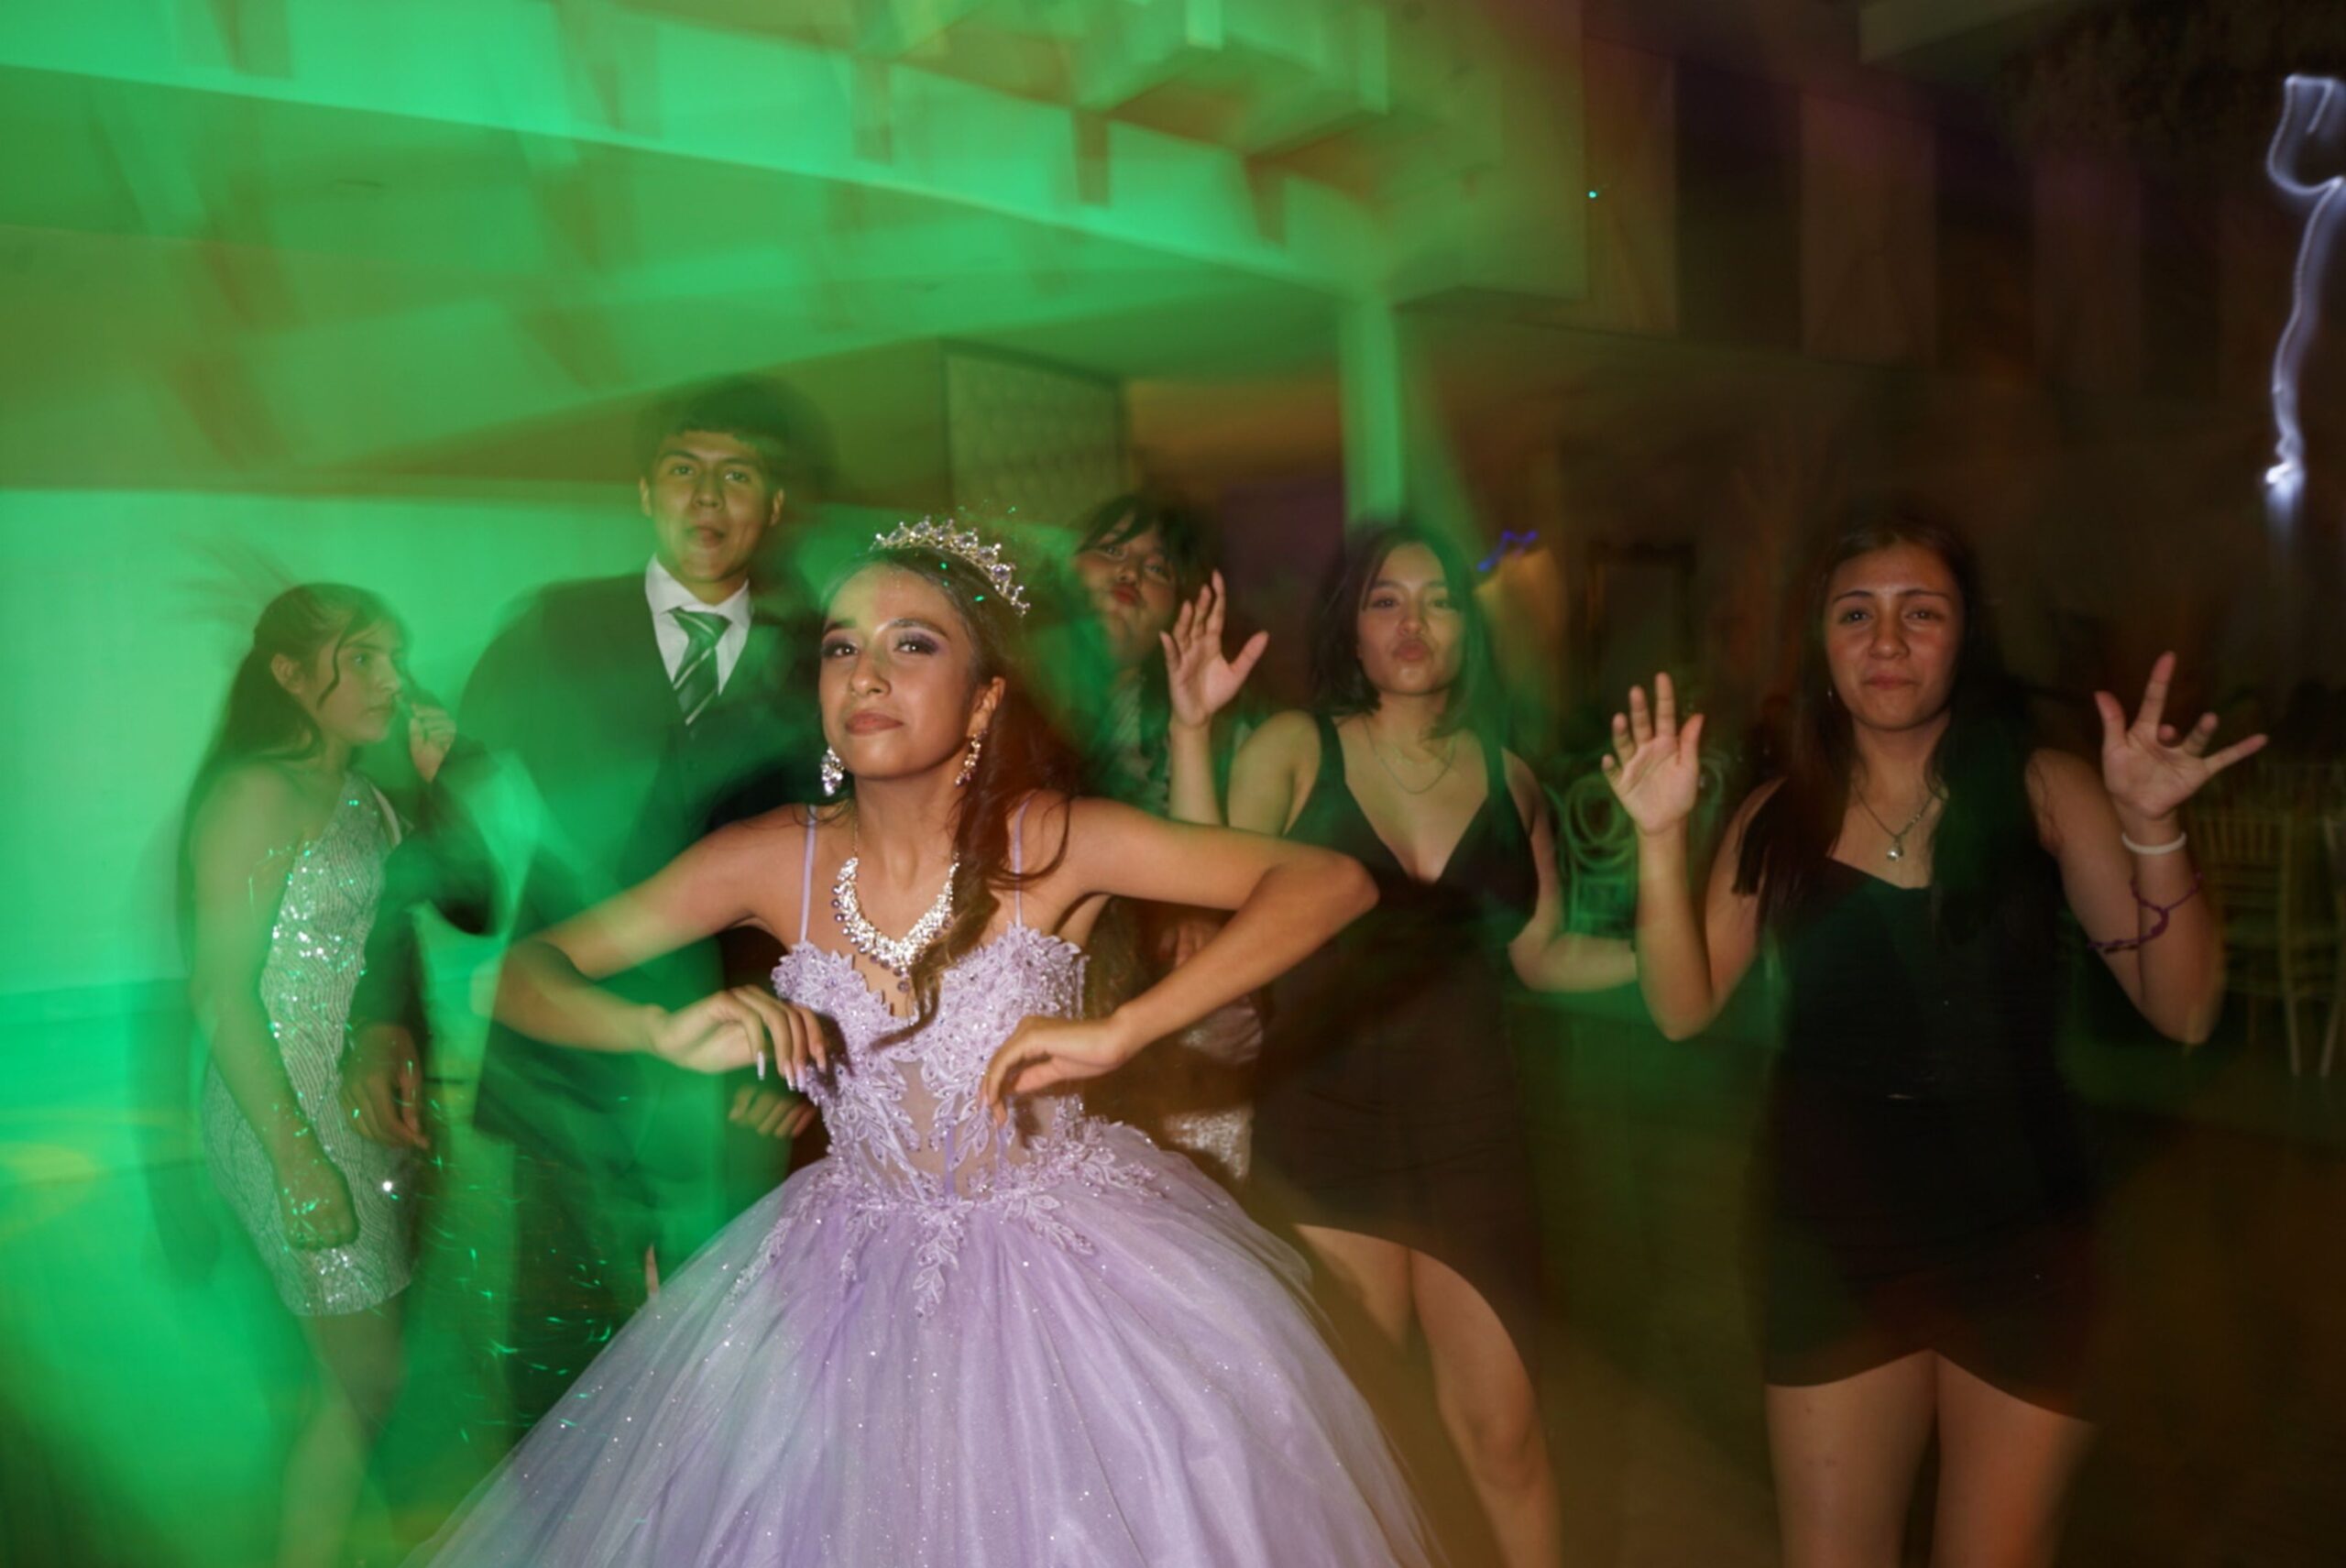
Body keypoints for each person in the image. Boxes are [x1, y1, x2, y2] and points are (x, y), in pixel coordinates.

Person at [410, 522, 1438, 1566]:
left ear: (984, 700)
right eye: (842, 646)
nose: (866, 673)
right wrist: (656, 1027)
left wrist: (1124, 1028)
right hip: (842, 1283)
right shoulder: (770, 858)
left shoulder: (1053, 839)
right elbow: (523, 977)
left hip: (1070, 1279)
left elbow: (1326, 882)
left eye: (912, 643)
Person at [1600, 503, 2262, 1568]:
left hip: (2022, 1230)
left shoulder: (2044, 790)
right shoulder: (1777, 814)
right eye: (1855, 613)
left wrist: (2152, 825)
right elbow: (1681, 1010)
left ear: (1966, 635)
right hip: (1832, 1233)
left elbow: (2179, 1009)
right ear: (1821, 642)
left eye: (1921, 611)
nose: (1887, 640)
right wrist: (1659, 840)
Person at [1166, 521, 1633, 1568]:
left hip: (1475, 1135)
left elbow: (1544, 953)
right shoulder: (1296, 749)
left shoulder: (1512, 779)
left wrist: (1693, 956)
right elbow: (1211, 892)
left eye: (1438, 599)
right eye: (1386, 600)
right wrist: (1192, 732)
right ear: (1351, 627)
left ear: (1468, 628)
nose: (1413, 622)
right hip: (1323, 1125)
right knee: (1356, 1433)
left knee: (1503, 1435)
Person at [428, 378, 828, 1434]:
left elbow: (839, 876)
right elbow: (450, 848)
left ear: (774, 503)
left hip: (737, 1079)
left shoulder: (822, 662)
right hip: (564, 1065)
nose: (708, 496)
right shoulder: (551, 631)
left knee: (733, 1370)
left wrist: (800, 1059)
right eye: (684, 470)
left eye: (737, 474)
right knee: (561, 1368)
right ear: (646, 491)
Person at [182, 584, 455, 1568]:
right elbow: (220, 988)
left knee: (355, 1379)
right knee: (362, 1379)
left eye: (394, 656)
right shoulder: (255, 793)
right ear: (291, 676)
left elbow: (416, 926)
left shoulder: (365, 796)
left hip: (347, 1100)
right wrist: (297, 1160)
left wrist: (437, 787)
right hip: (278, 1105)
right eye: (364, 659)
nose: (393, 678)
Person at [1061, 491, 1265, 1185]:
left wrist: (1192, 725)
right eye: (1111, 550)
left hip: (1153, 999)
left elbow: (1214, 881)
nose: (1129, 573)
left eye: (1156, 567)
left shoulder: (1208, 720)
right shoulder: (993, 690)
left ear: (1180, 607)